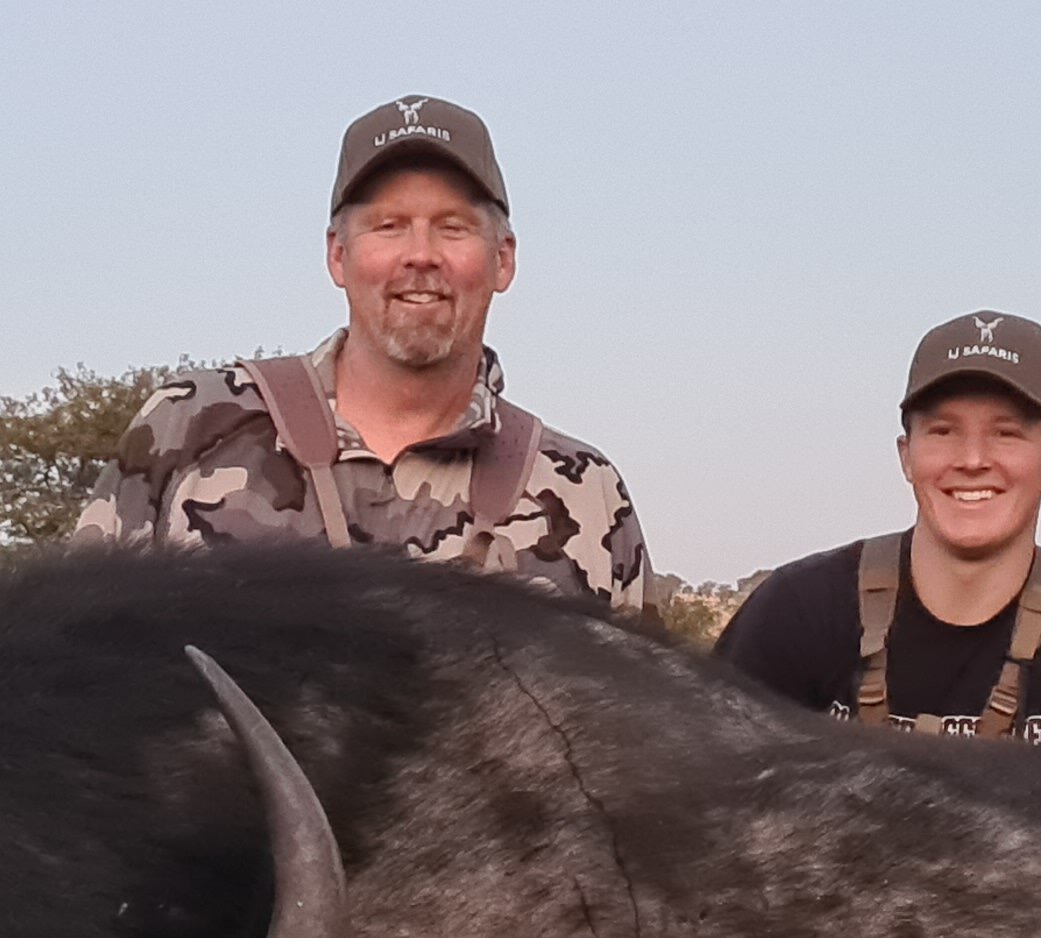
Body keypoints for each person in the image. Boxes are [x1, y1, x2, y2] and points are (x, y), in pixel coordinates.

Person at [66, 95, 651, 616]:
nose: (420, 255)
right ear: (338, 257)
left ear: (503, 260)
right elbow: (73, 672)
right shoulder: (191, 427)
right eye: (388, 226)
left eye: (452, 227)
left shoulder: (584, 492)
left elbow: (655, 729)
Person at [712, 312, 1041, 757]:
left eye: (1006, 433)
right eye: (943, 432)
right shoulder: (797, 610)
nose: (973, 459)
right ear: (906, 455)